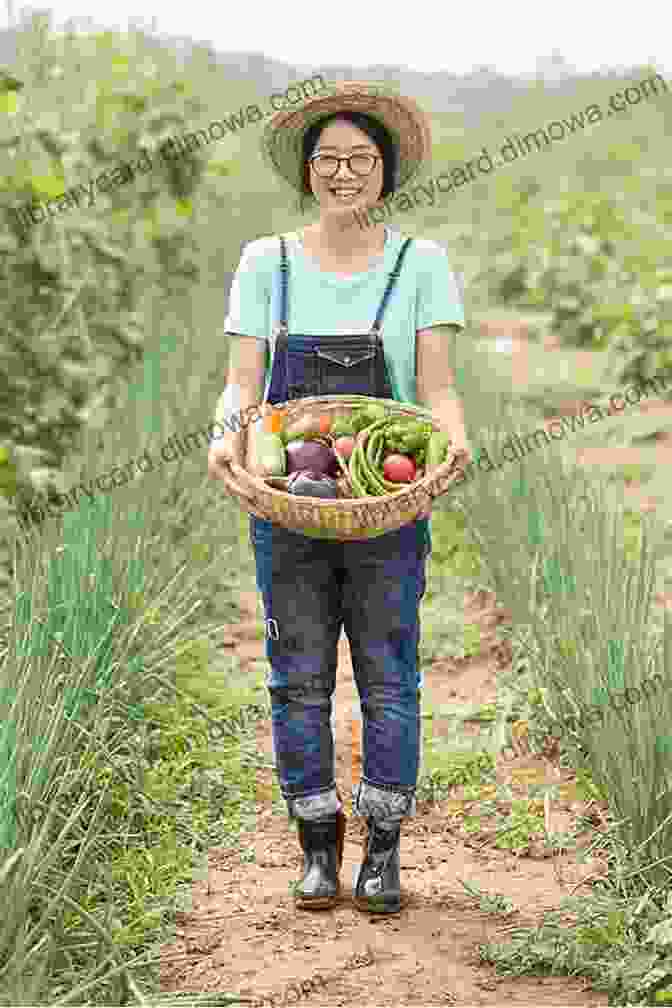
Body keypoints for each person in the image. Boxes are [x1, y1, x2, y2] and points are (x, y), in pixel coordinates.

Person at [208, 80, 471, 915]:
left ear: (385, 172)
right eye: (329, 159)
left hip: (387, 515)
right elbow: (242, 389)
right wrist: (228, 438)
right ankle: (317, 845)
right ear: (307, 172)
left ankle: (384, 849)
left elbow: (438, 390)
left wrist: (452, 439)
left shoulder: (421, 265)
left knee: (390, 676)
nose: (344, 173)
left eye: (362, 159)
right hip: (288, 503)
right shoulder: (267, 262)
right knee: (298, 677)